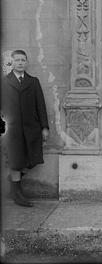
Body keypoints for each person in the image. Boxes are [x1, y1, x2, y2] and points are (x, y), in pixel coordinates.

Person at [1, 50, 49, 207]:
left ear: (27, 62)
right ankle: (17, 192)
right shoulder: (4, 82)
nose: (20, 62)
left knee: (31, 159)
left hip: (31, 129)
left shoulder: (33, 81)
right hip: (12, 130)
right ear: (12, 63)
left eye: (23, 60)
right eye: (17, 60)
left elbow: (40, 106)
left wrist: (44, 127)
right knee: (15, 161)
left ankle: (14, 181)